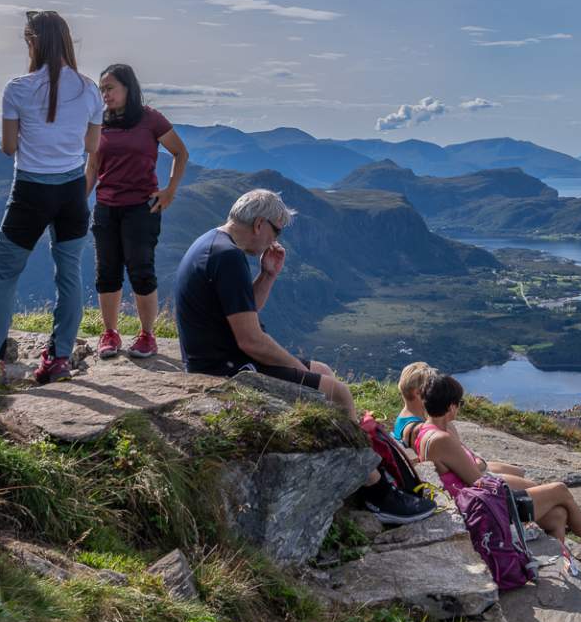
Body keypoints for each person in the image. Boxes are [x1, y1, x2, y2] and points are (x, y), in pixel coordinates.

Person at [172, 188, 433, 523]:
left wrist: (267, 275)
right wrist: (298, 370)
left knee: (323, 370)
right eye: (276, 232)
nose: (274, 240)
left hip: (221, 357)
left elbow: (243, 310)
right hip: (226, 370)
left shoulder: (215, 243)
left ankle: (363, 466)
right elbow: (251, 340)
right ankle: (376, 491)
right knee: (337, 391)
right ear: (260, 224)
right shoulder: (228, 257)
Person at [0, 11, 103, 386]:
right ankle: (59, 358)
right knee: (68, 276)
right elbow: (92, 146)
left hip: (30, 191)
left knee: (4, 275)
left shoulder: (17, 88)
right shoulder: (89, 90)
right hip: (70, 193)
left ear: (33, 42)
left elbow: (8, 147)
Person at [414, 375, 581, 569]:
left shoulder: (428, 430)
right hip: (482, 508)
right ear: (451, 406)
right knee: (560, 490)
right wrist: (482, 465)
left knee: (558, 515)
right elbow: (477, 479)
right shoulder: (442, 439)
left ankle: (558, 565)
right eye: (460, 403)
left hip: (478, 501)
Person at [87, 63, 188, 359]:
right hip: (106, 207)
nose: (105, 95)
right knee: (107, 273)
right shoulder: (98, 121)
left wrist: (170, 190)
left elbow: (180, 152)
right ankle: (110, 333)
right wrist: (79, 200)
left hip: (141, 209)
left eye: (110, 88)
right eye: (102, 89)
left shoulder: (150, 119)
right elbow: (92, 167)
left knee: (141, 272)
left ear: (128, 88)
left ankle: (147, 335)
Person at [396, 362, 526, 479]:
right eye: (430, 387)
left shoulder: (405, 418)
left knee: (520, 472)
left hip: (463, 466)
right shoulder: (416, 429)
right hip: (460, 476)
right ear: (418, 393)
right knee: (521, 479)